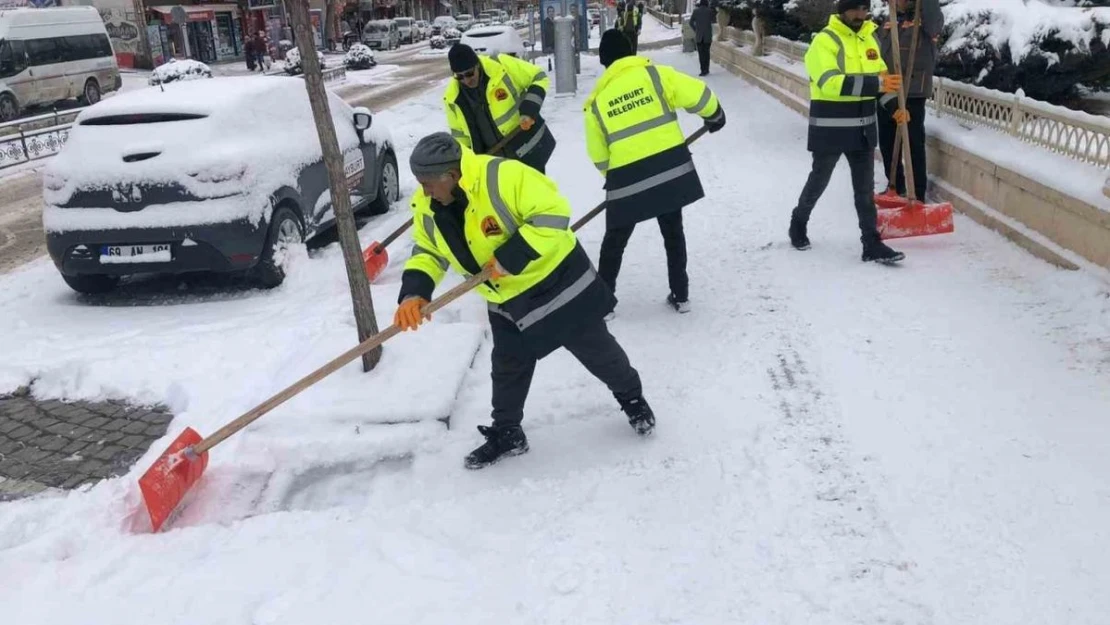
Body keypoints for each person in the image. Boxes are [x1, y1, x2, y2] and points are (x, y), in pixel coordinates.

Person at [394, 133, 657, 469]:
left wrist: (510, 256)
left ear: (452, 175)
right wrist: (414, 293)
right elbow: (428, 250)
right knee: (507, 365)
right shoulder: (428, 205)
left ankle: (632, 399)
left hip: (556, 284)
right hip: (505, 297)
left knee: (597, 351)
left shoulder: (504, 176)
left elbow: (553, 215)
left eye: (428, 183)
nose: (423, 190)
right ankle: (508, 432)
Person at [584, 29, 725, 315]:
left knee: (615, 240)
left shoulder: (597, 102)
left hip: (627, 181)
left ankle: (603, 302)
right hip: (668, 171)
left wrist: (613, 180)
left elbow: (598, 155)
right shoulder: (656, 76)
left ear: (605, 62)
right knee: (673, 232)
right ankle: (681, 295)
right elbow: (699, 94)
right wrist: (714, 115)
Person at [788, 0, 906, 264]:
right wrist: (878, 83)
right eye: (855, 9)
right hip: (831, 127)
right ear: (842, 10)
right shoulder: (824, 41)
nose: (861, 14)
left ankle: (871, 242)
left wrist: (894, 107)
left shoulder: (869, 40)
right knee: (819, 181)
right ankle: (799, 221)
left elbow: (882, 84)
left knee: (864, 191)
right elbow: (830, 83)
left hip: (863, 129)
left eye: (865, 9)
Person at [444, 43, 556, 174]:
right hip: (494, 166)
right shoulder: (452, 97)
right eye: (459, 76)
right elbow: (460, 137)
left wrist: (529, 110)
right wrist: (465, 164)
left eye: (469, 74)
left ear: (477, 65)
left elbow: (538, 77)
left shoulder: (502, 66)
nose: (466, 80)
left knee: (536, 192)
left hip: (527, 151)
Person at [876, 0, 944, 201]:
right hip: (887, 90)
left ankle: (917, 193)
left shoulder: (927, 20)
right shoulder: (890, 20)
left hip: (913, 92)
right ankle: (895, 186)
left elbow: (935, 26)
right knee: (887, 142)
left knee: (913, 143)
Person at [689, 0, 715, 76]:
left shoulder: (696, 11)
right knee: (707, 53)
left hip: (699, 36)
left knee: (701, 54)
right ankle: (707, 69)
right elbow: (713, 20)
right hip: (707, 36)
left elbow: (691, 22)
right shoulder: (710, 11)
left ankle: (703, 70)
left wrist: (696, 29)